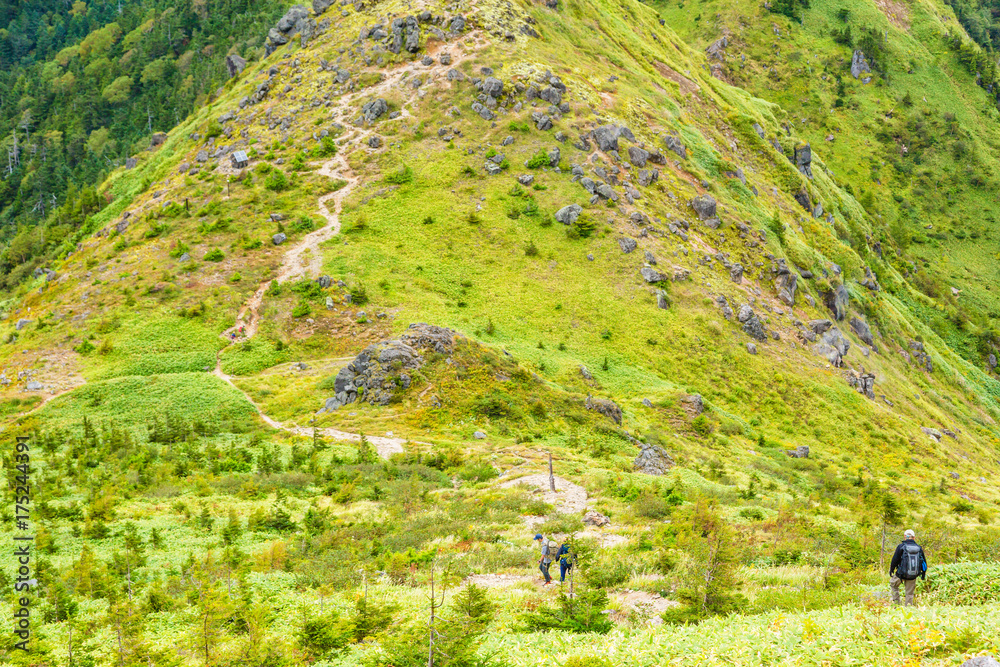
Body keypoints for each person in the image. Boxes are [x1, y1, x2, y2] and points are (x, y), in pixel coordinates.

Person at [889, 528, 927, 606]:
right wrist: (923, 573)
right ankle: (908, 609)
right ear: (914, 537)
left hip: (901, 574)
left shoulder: (901, 546)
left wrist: (892, 569)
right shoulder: (918, 548)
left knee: (893, 584)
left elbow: (895, 559)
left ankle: (897, 604)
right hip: (913, 575)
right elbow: (924, 562)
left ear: (904, 536)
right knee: (909, 593)